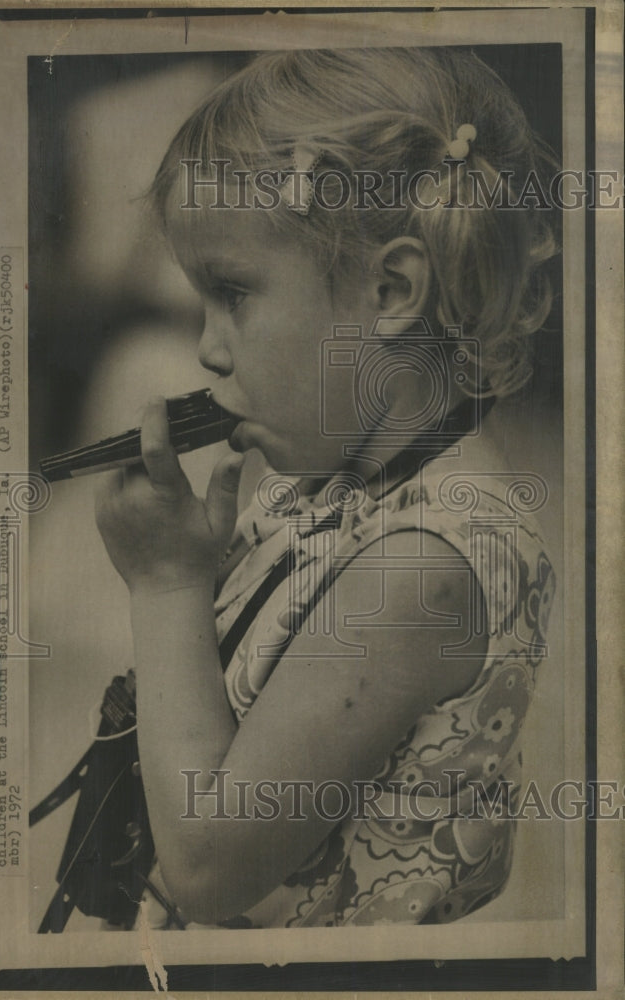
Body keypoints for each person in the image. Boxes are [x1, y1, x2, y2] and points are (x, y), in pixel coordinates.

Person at [93, 47, 558, 929]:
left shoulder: (418, 566)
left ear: (390, 288)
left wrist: (164, 585)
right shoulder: (334, 486)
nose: (208, 348)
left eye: (233, 293)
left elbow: (206, 864)